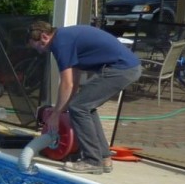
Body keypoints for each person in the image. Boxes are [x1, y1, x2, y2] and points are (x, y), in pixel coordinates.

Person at [28, 21, 141, 174]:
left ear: (44, 36)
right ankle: (103, 157)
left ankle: (92, 161)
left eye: (38, 46)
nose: (40, 51)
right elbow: (74, 81)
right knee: (84, 106)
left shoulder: (60, 43)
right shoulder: (65, 38)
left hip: (121, 69)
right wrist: (63, 108)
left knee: (79, 107)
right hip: (126, 67)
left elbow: (66, 84)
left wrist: (55, 114)